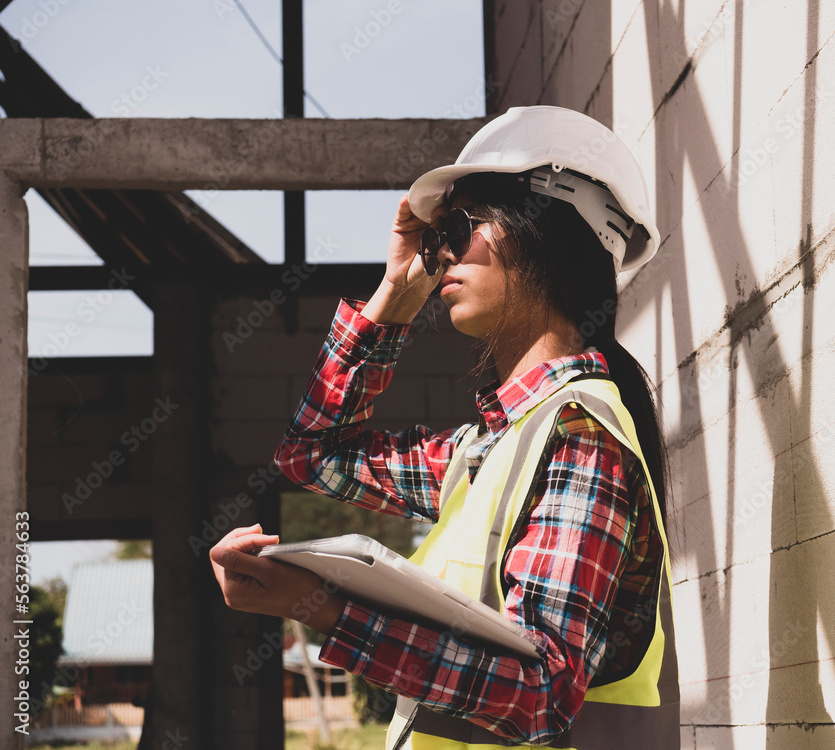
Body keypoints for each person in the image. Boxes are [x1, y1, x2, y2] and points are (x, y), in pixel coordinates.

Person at [210, 105, 680, 750]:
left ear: (545, 229)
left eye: (458, 228)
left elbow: (542, 694)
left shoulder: (580, 436)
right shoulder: (491, 448)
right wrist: (394, 296)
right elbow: (314, 454)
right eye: (437, 241)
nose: (441, 254)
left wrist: (319, 607)